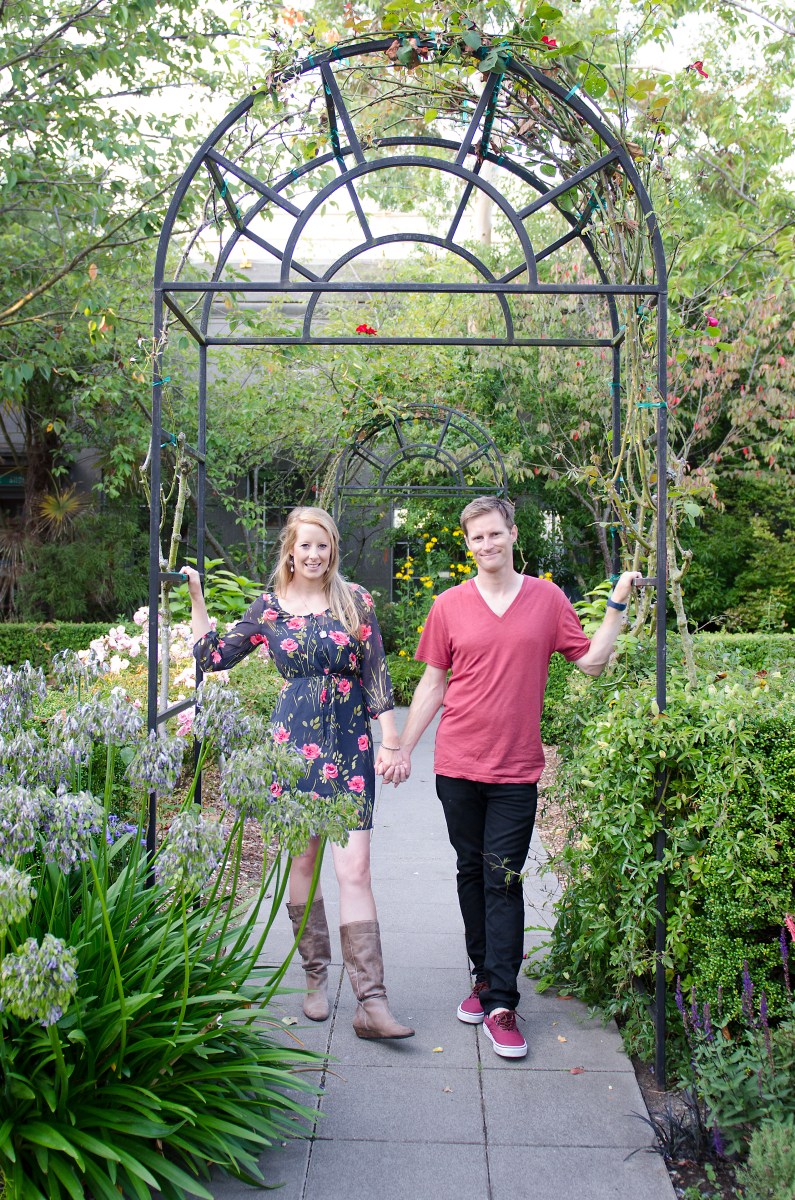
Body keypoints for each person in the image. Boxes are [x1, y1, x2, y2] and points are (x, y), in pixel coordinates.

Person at [376, 496, 641, 1059]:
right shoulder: (449, 605)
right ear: (467, 544)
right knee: (471, 873)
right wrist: (400, 747)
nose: (487, 545)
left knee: (505, 878)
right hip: (457, 766)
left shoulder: (546, 600)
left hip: (516, 769)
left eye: (495, 534)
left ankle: (501, 1001)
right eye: (477, 538)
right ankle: (482, 973)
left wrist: (616, 603)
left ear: (513, 534)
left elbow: (591, 662)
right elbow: (433, 685)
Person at [184, 506, 413, 1040]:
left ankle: (371, 1002)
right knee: (304, 860)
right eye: (305, 546)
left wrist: (391, 741)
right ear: (290, 549)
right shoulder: (268, 607)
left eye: (324, 546)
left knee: (355, 870)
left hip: (350, 746)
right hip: (294, 749)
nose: (315, 555)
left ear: (334, 550)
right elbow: (214, 657)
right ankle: (314, 977)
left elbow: (376, 673)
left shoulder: (355, 600)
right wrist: (198, 598)